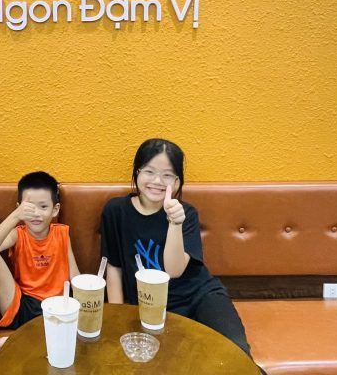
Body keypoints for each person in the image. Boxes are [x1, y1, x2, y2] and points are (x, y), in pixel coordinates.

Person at [101, 138, 254, 359]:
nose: (157, 181)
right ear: (137, 173)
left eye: (167, 175)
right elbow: (114, 268)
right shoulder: (115, 211)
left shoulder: (186, 213)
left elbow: (174, 270)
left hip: (199, 296)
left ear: (177, 181)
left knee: (236, 354)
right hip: (150, 306)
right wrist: (118, 318)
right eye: (149, 171)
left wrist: (175, 223)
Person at [0, 170, 80, 355]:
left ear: (55, 210)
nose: (36, 214)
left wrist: (83, 303)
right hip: (21, 304)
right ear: (19, 208)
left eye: (43, 207)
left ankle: (16, 339)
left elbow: (74, 275)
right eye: (29, 208)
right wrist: (15, 216)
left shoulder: (62, 234)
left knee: (61, 325)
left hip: (56, 307)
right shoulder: (18, 234)